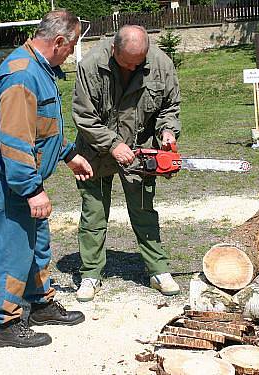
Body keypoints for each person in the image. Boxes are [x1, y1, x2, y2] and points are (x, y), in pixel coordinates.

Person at [0, 9, 93, 348]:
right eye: (70, 47)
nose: (71, 53)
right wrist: (31, 189)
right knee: (13, 246)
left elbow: (41, 128)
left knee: (37, 241)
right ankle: (6, 323)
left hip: (27, 177)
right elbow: (14, 141)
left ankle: (39, 302)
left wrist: (68, 153)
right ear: (58, 41)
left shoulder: (39, 70)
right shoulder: (22, 75)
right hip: (11, 180)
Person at [72, 25, 181, 302]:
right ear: (113, 49)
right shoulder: (89, 65)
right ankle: (91, 274)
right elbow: (84, 117)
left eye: (139, 62)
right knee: (93, 214)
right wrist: (112, 144)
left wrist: (167, 132)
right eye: (127, 62)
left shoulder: (161, 64)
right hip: (95, 150)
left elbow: (169, 107)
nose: (133, 67)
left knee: (144, 209)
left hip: (139, 150)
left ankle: (158, 270)